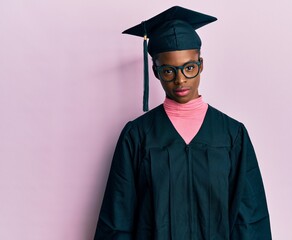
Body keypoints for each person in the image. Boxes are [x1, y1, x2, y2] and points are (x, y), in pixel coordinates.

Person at [94, 6, 271, 240]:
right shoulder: (137, 135)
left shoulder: (232, 134)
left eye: (189, 68)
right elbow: (118, 220)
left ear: (201, 65)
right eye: (168, 70)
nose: (180, 80)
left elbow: (249, 219)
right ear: (156, 71)